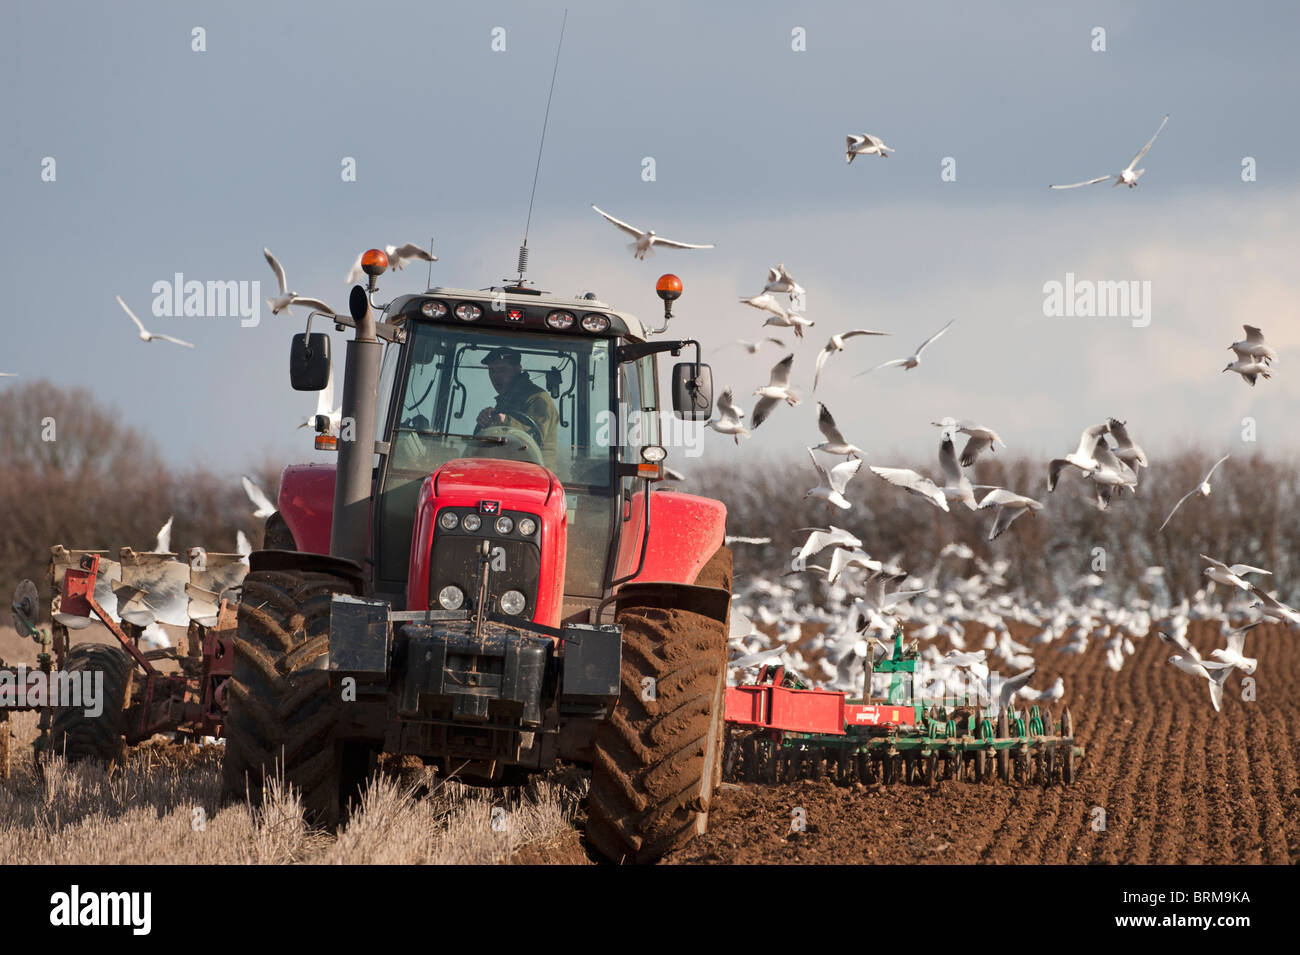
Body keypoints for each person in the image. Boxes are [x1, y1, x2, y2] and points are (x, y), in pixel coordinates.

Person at [475, 348, 559, 471]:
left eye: (502, 370)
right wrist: (487, 423)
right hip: (509, 470)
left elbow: (534, 437)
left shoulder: (538, 399)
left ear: (517, 369)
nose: (496, 377)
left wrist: (505, 421)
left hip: (536, 475)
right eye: (492, 371)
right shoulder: (506, 400)